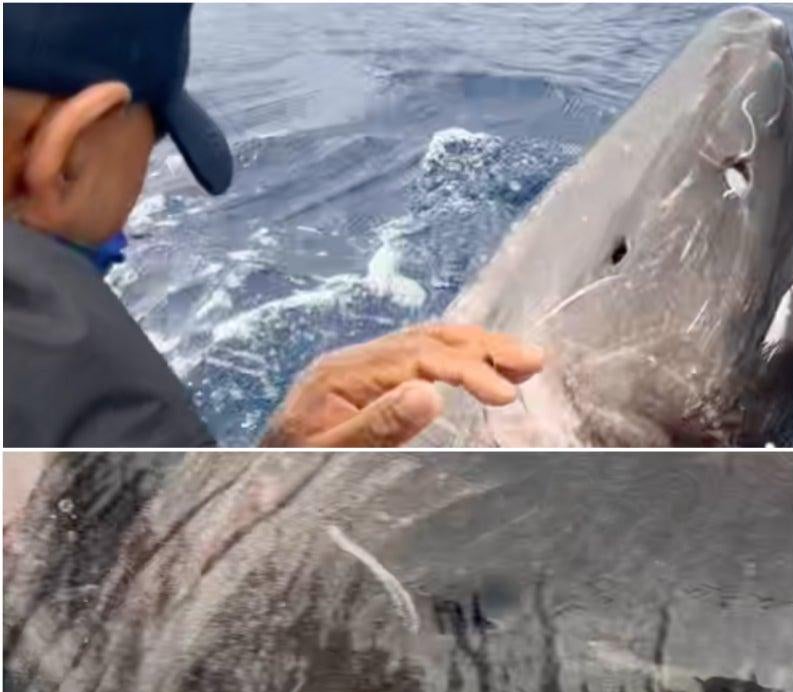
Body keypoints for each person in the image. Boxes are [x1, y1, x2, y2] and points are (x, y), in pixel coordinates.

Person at [3, 3, 542, 448]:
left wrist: (277, 457)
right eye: (145, 152)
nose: (125, 227)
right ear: (67, 152)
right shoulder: (85, 389)